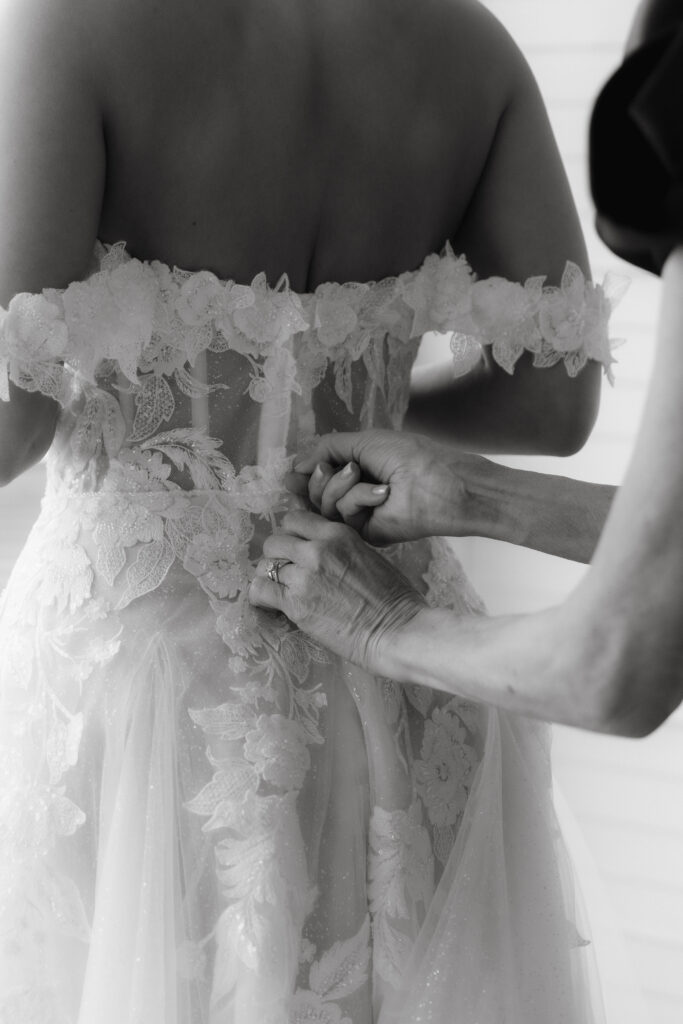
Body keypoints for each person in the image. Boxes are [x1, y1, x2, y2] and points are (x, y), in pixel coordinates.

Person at [0, 0, 616, 1021]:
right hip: (404, 664)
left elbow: (11, 425)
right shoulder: (467, 45)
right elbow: (555, 402)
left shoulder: (69, 26)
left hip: (143, 688)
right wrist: (353, 408)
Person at [249, 2, 683, 741]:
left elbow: (615, 667)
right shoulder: (471, 47)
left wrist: (391, 623)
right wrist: (472, 493)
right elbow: (552, 403)